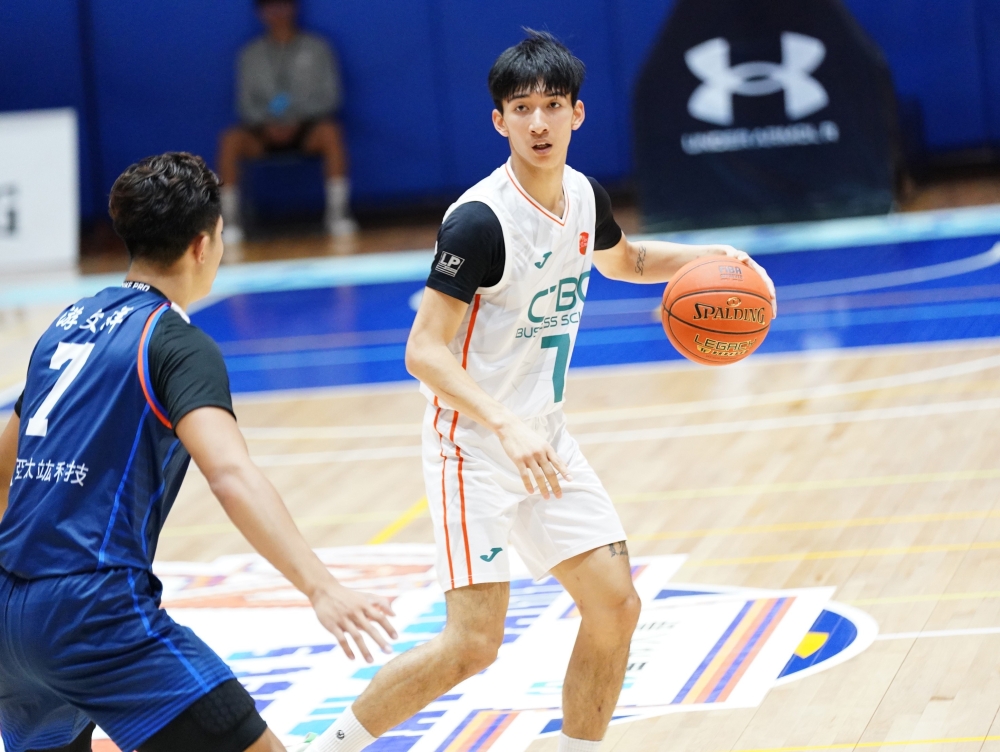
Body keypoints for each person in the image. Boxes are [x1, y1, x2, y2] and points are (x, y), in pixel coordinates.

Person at [300, 31, 777, 752]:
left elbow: (627, 259)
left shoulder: (584, 196)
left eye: (553, 105)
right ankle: (323, 747)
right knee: (472, 645)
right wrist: (504, 424)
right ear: (499, 121)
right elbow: (423, 350)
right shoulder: (479, 221)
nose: (539, 122)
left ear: (578, 113)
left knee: (615, 606)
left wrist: (711, 258)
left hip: (544, 440)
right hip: (474, 447)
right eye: (521, 109)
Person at [0, 153, 395, 752]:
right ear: (203, 245)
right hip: (93, 612)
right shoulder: (176, 342)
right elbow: (230, 473)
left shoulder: (65, 325)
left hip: (8, 615)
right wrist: (320, 586)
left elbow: (4, 467)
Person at [217, 0, 356, 241]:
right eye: (270, 7)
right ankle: (230, 222)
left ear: (294, 8)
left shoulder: (318, 47)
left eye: (283, 5)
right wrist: (268, 122)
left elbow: (330, 96)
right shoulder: (250, 54)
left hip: (306, 126)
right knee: (230, 140)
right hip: (264, 130)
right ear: (260, 13)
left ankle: (338, 215)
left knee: (331, 133)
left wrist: (296, 118)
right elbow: (245, 103)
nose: (278, 13)